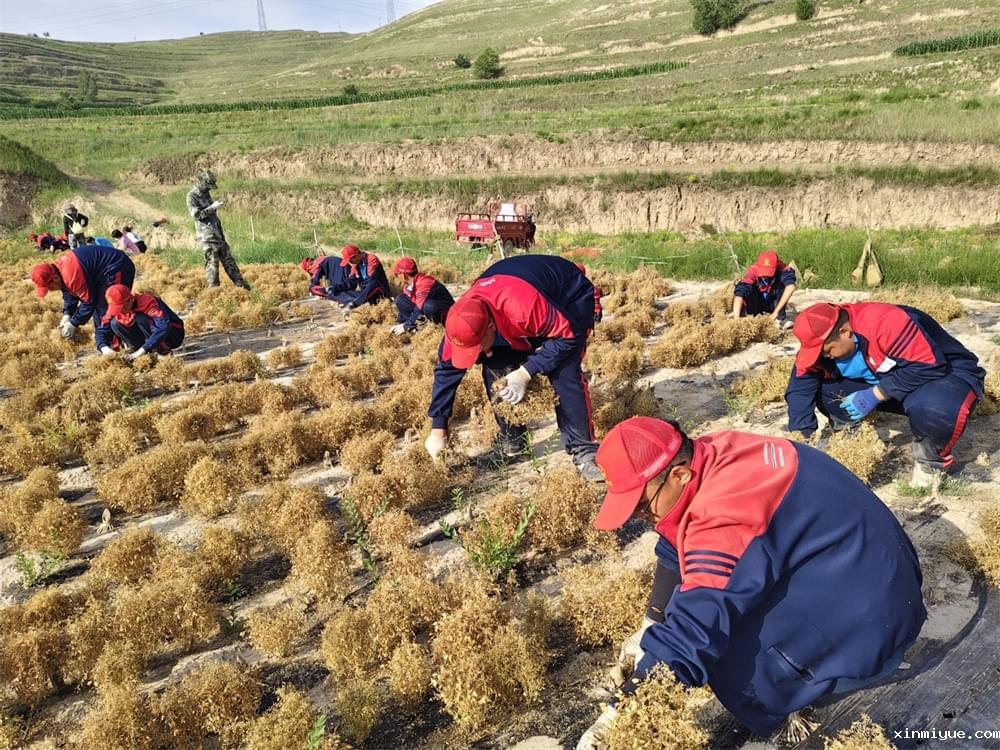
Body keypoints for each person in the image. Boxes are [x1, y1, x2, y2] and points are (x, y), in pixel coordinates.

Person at [576, 416, 926, 748]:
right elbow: (673, 543)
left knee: (727, 655)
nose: (641, 518)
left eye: (640, 506)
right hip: (863, 571)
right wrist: (651, 621)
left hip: (875, 620)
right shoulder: (715, 451)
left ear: (679, 475)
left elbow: (694, 632)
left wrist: (620, 715)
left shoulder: (724, 515)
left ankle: (815, 689)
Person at [424, 255, 602, 481]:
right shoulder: (460, 321)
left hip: (568, 295)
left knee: (563, 370)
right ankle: (513, 440)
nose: (476, 355)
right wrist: (438, 429)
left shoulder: (523, 308)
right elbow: (446, 372)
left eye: (477, 348)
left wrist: (526, 371)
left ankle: (584, 450)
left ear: (491, 327)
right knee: (495, 365)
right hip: (515, 298)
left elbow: (569, 338)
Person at [787, 302, 985, 487]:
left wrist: (876, 394)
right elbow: (800, 388)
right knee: (828, 392)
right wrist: (801, 441)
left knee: (934, 408)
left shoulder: (886, 323)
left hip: (943, 374)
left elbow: (928, 367)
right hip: (889, 378)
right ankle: (850, 434)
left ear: (845, 332)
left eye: (827, 350)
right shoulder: (822, 342)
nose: (825, 356)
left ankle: (930, 463)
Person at [30, 244, 136, 354]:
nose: (50, 290)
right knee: (100, 310)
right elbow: (69, 292)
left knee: (107, 308)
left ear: (55, 278)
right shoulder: (58, 270)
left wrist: (73, 323)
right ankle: (107, 345)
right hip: (100, 272)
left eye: (49, 287)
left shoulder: (70, 274)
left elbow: (88, 303)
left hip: (116, 266)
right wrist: (67, 314)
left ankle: (117, 347)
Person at [186, 168, 250, 290]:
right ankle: (214, 293)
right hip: (207, 238)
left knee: (230, 263)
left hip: (218, 235)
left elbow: (212, 215)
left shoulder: (206, 194)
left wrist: (215, 208)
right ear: (201, 182)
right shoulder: (191, 196)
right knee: (212, 267)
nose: (209, 188)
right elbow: (197, 215)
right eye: (208, 185)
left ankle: (243, 287)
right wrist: (212, 207)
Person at [102, 284, 185, 360]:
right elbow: (102, 328)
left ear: (129, 300)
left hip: (173, 334)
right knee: (115, 323)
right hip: (148, 337)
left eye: (121, 307)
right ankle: (139, 352)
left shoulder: (148, 301)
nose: (120, 311)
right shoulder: (118, 310)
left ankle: (162, 352)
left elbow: (163, 327)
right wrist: (104, 347)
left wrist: (142, 350)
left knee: (140, 318)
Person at [389, 256, 454, 335]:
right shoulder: (407, 286)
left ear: (403, 275)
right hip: (425, 311)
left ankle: (436, 330)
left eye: (397, 274)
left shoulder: (424, 283)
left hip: (447, 312)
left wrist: (405, 326)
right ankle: (415, 328)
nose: (397, 277)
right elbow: (413, 304)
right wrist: (400, 322)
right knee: (401, 299)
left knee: (428, 306)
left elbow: (419, 308)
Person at [732, 250, 796, 325]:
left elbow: (791, 287)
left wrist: (776, 313)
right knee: (747, 288)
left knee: (783, 286)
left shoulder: (783, 269)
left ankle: (780, 319)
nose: (765, 276)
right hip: (757, 303)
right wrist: (736, 319)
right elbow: (740, 293)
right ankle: (752, 317)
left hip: (774, 303)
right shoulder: (753, 270)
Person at [339, 244, 390, 309]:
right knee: (344, 292)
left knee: (373, 283)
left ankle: (354, 304)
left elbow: (370, 280)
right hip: (366, 293)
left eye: (350, 260)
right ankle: (355, 302)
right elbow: (351, 282)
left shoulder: (371, 259)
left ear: (356, 255)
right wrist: (336, 288)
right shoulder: (355, 265)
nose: (350, 263)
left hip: (379, 292)